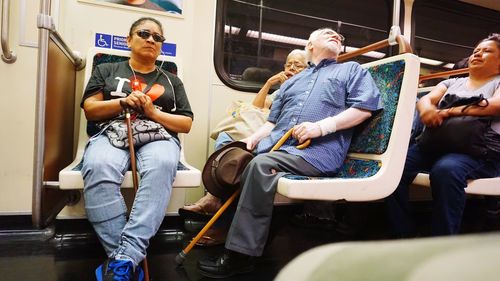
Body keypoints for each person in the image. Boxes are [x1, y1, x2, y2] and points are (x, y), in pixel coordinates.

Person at [197, 27, 381, 278]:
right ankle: (229, 231)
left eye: (340, 37)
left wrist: (320, 127)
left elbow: (364, 108)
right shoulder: (293, 81)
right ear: (310, 45)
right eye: (327, 33)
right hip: (277, 146)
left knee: (260, 166)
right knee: (231, 158)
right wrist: (251, 139)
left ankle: (241, 255)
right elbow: (272, 124)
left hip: (316, 153)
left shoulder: (351, 70)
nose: (336, 36)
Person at [81, 17, 193, 280]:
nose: (151, 40)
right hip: (112, 131)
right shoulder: (107, 70)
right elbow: (90, 109)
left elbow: (186, 123)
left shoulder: (171, 80)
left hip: (158, 135)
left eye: (158, 37)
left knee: (163, 165)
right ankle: (127, 259)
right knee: (97, 166)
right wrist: (122, 104)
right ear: (129, 40)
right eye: (144, 33)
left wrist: (152, 112)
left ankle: (121, 262)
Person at [386, 33, 500, 237]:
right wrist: (427, 109)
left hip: (477, 152)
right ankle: (402, 233)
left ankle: (442, 240)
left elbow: (495, 105)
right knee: (393, 169)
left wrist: (448, 111)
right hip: (434, 145)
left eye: (487, 51)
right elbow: (425, 100)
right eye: (476, 51)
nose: (478, 54)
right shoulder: (452, 83)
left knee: (445, 171)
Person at [180, 49, 307, 219]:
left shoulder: (306, 90)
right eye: (288, 64)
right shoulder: (281, 90)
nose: (291, 68)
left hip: (281, 135)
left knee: (238, 154)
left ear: (307, 69)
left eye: (297, 65)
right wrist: (269, 83)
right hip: (264, 129)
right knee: (226, 138)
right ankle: (214, 199)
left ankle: (214, 201)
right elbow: (256, 106)